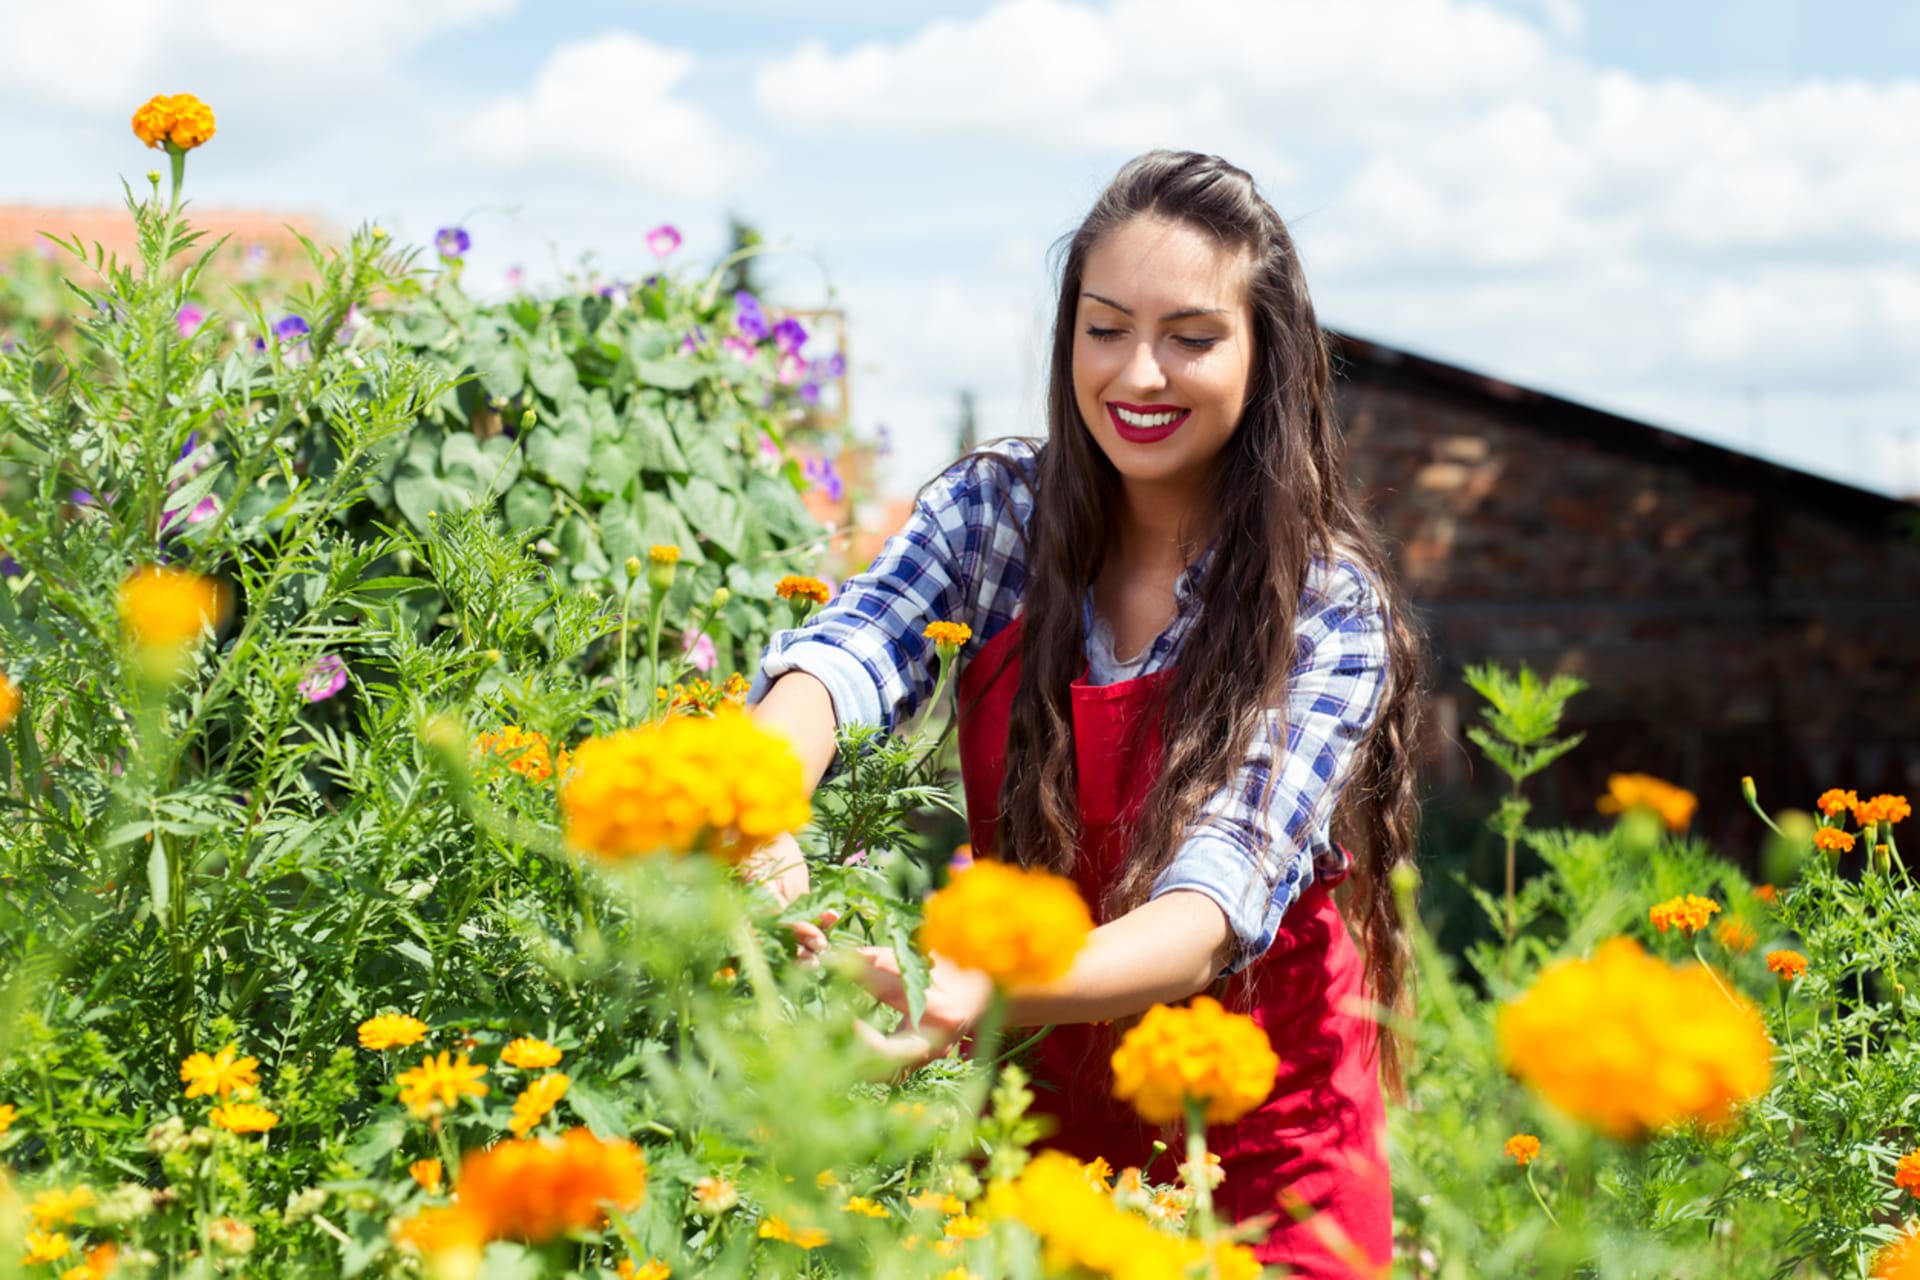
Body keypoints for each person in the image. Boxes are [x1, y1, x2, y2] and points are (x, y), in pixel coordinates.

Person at [746, 150, 1426, 1277]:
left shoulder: (1323, 606)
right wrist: (752, 790)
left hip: (1262, 1158)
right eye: (1105, 328)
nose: (1140, 373)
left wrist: (960, 990)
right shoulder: (993, 514)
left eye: (1192, 337)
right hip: (1041, 1132)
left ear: (1266, 355)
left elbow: (1214, 899)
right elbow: (853, 647)